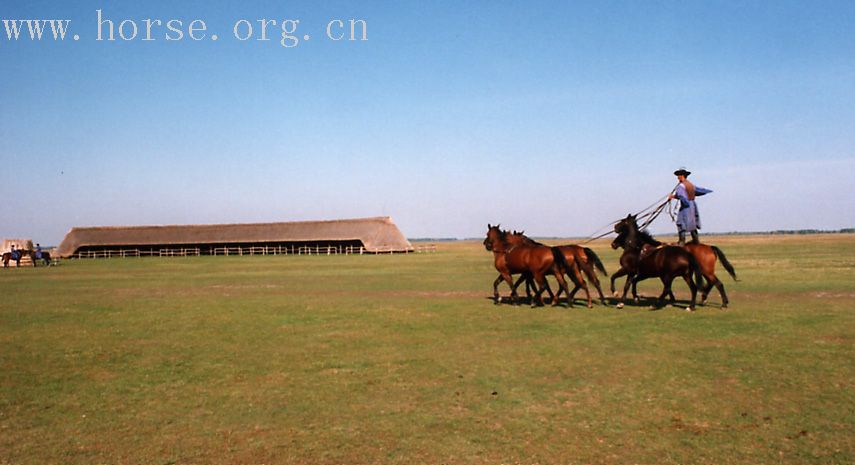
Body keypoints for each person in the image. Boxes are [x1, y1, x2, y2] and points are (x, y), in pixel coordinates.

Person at [668, 168, 712, 245]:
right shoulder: (691, 185)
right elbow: (699, 191)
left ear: (682, 176)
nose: (678, 177)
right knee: (693, 223)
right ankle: (696, 241)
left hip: (686, 206)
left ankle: (681, 242)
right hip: (693, 205)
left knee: (681, 222)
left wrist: (674, 197)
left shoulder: (681, 186)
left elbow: (683, 197)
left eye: (679, 176)